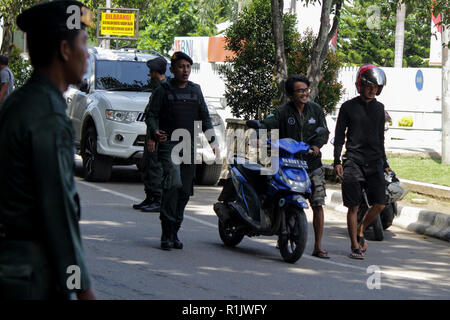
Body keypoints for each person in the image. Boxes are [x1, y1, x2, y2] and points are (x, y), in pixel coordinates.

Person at [0, 1, 96, 299]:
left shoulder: (20, 103)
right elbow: (58, 215)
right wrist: (82, 289)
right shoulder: (48, 116)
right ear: (65, 51)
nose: (88, 53)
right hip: (29, 278)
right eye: (83, 42)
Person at [147, 51, 217, 250]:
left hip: (189, 144)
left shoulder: (196, 90)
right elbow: (151, 115)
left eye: (187, 67)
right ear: (172, 69)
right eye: (180, 67)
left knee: (185, 191)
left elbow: (205, 117)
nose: (185, 70)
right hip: (169, 144)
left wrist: (213, 141)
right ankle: (166, 232)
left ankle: (175, 230)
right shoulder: (163, 89)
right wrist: (154, 132)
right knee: (173, 183)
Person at [261, 74, 330, 259]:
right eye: (300, 90)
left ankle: (318, 246)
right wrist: (259, 127)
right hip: (287, 163)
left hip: (311, 164)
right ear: (291, 94)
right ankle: (281, 233)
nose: (304, 93)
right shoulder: (282, 111)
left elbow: (324, 132)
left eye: (306, 90)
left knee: (317, 203)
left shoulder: (315, 110)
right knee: (277, 194)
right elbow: (268, 123)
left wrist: (316, 146)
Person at [333, 64, 390, 260]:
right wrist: (336, 160)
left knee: (381, 203)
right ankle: (354, 245)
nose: (373, 90)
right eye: (369, 85)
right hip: (353, 161)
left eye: (376, 87)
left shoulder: (380, 109)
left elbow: (380, 138)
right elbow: (339, 135)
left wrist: (385, 162)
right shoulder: (348, 107)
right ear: (361, 85)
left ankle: (361, 229)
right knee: (353, 206)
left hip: (374, 162)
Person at [133, 56, 167, 212]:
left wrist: (154, 137)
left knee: (154, 167)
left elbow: (159, 115)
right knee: (147, 165)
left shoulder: (163, 88)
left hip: (157, 134)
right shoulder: (158, 87)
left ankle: (157, 199)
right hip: (152, 132)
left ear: (156, 71)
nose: (149, 74)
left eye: (151, 71)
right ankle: (150, 197)